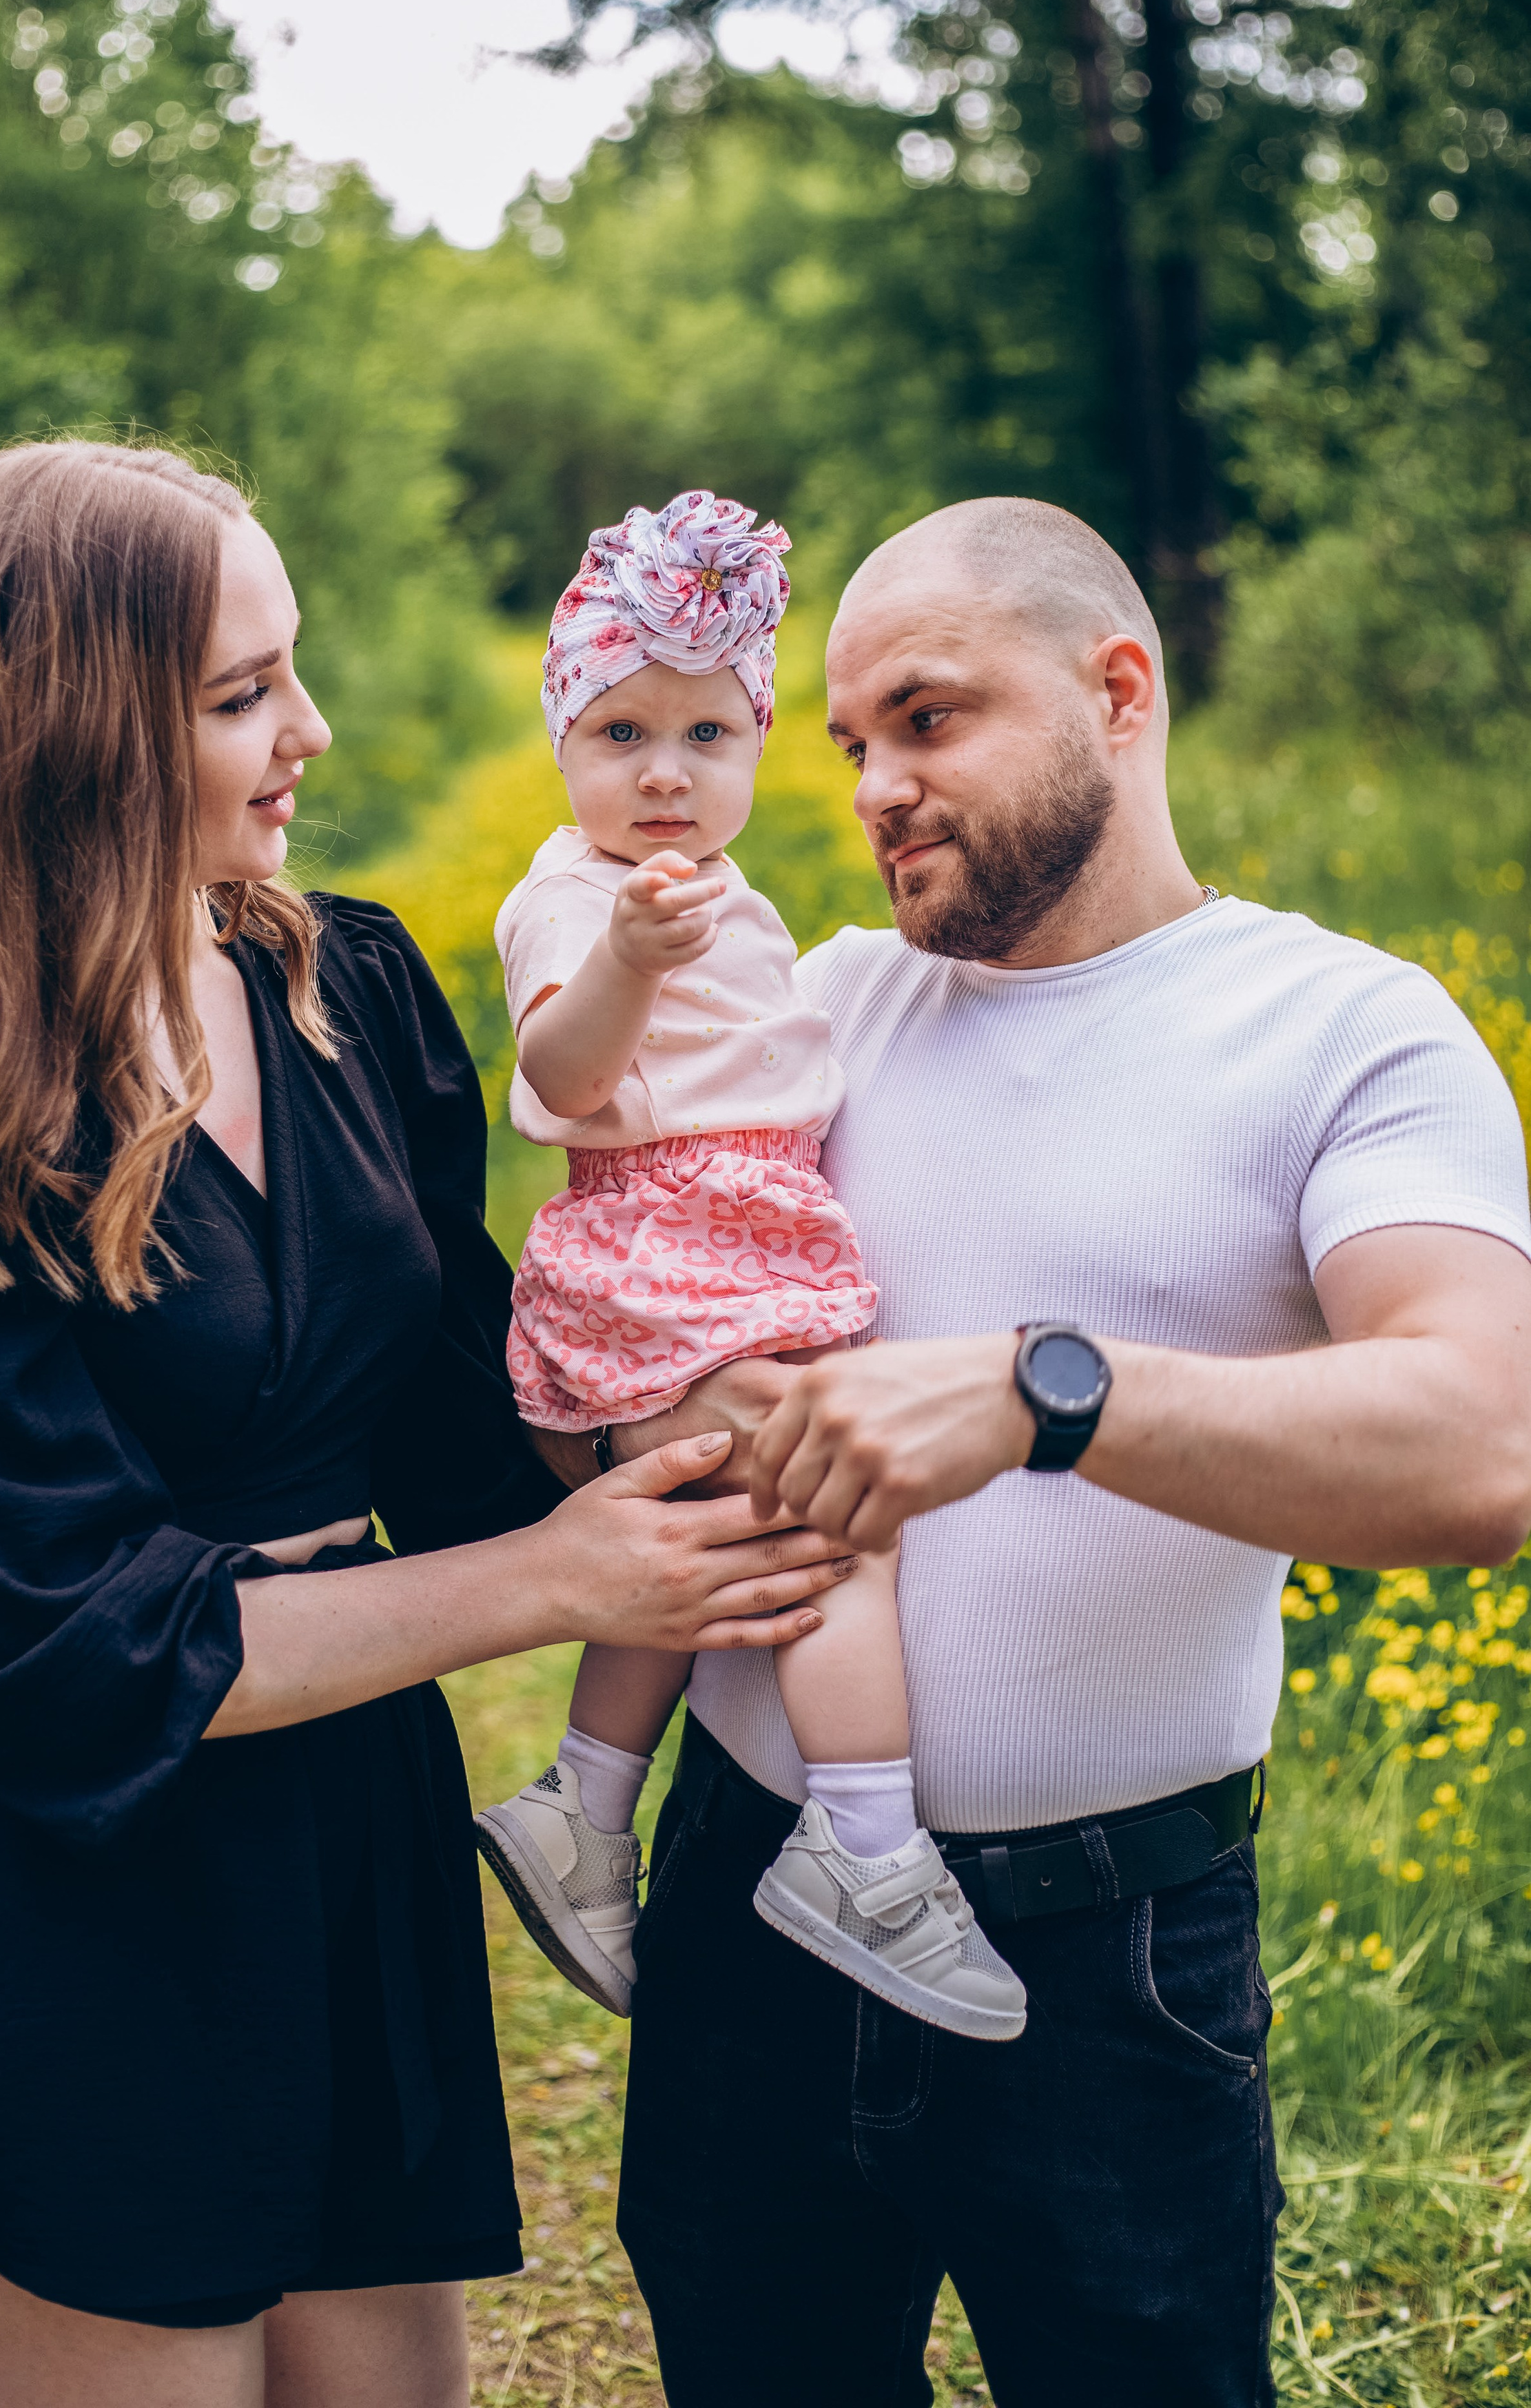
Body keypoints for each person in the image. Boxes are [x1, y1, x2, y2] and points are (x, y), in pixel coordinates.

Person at [0, 441, 859, 2408]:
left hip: (348, 1839)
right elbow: (65, 1650)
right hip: (74, 1897)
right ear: (67, 732)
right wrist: (558, 1577)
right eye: (240, 693)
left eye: (294, 669)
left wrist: (745, 1403)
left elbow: (463, 1421)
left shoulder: (339, 977)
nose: (314, 731)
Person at [572, 497, 1531, 2408]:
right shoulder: (813, 1006)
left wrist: (1044, 1394)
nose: (877, 789)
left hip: (1116, 1960)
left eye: (930, 720)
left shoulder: (1345, 1032)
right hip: (750, 1900)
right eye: (848, 746)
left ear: (1120, 690)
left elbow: (1483, 1443)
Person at [475, 490, 1025, 2042]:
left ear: (754, 748)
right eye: (621, 734)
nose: (663, 773)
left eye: (707, 737)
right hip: (655, 1248)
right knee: (835, 1515)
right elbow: (564, 1082)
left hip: (741, 1246)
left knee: (719, 1529)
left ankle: (580, 1806)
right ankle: (860, 1842)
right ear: (565, 745)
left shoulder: (745, 899)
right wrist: (627, 966)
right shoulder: (573, 898)